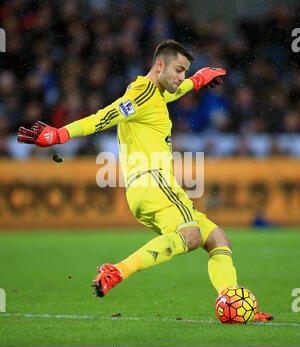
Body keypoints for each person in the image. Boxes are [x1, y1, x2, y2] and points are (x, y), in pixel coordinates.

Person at [17, 40, 272, 322]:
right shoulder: (143, 93)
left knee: (217, 238)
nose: (181, 78)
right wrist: (59, 135)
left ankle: (233, 300)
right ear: (159, 64)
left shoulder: (153, 93)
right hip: (155, 181)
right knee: (191, 236)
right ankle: (119, 270)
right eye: (179, 70)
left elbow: (172, 94)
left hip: (141, 191)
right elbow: (105, 116)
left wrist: (197, 81)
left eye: (185, 72)